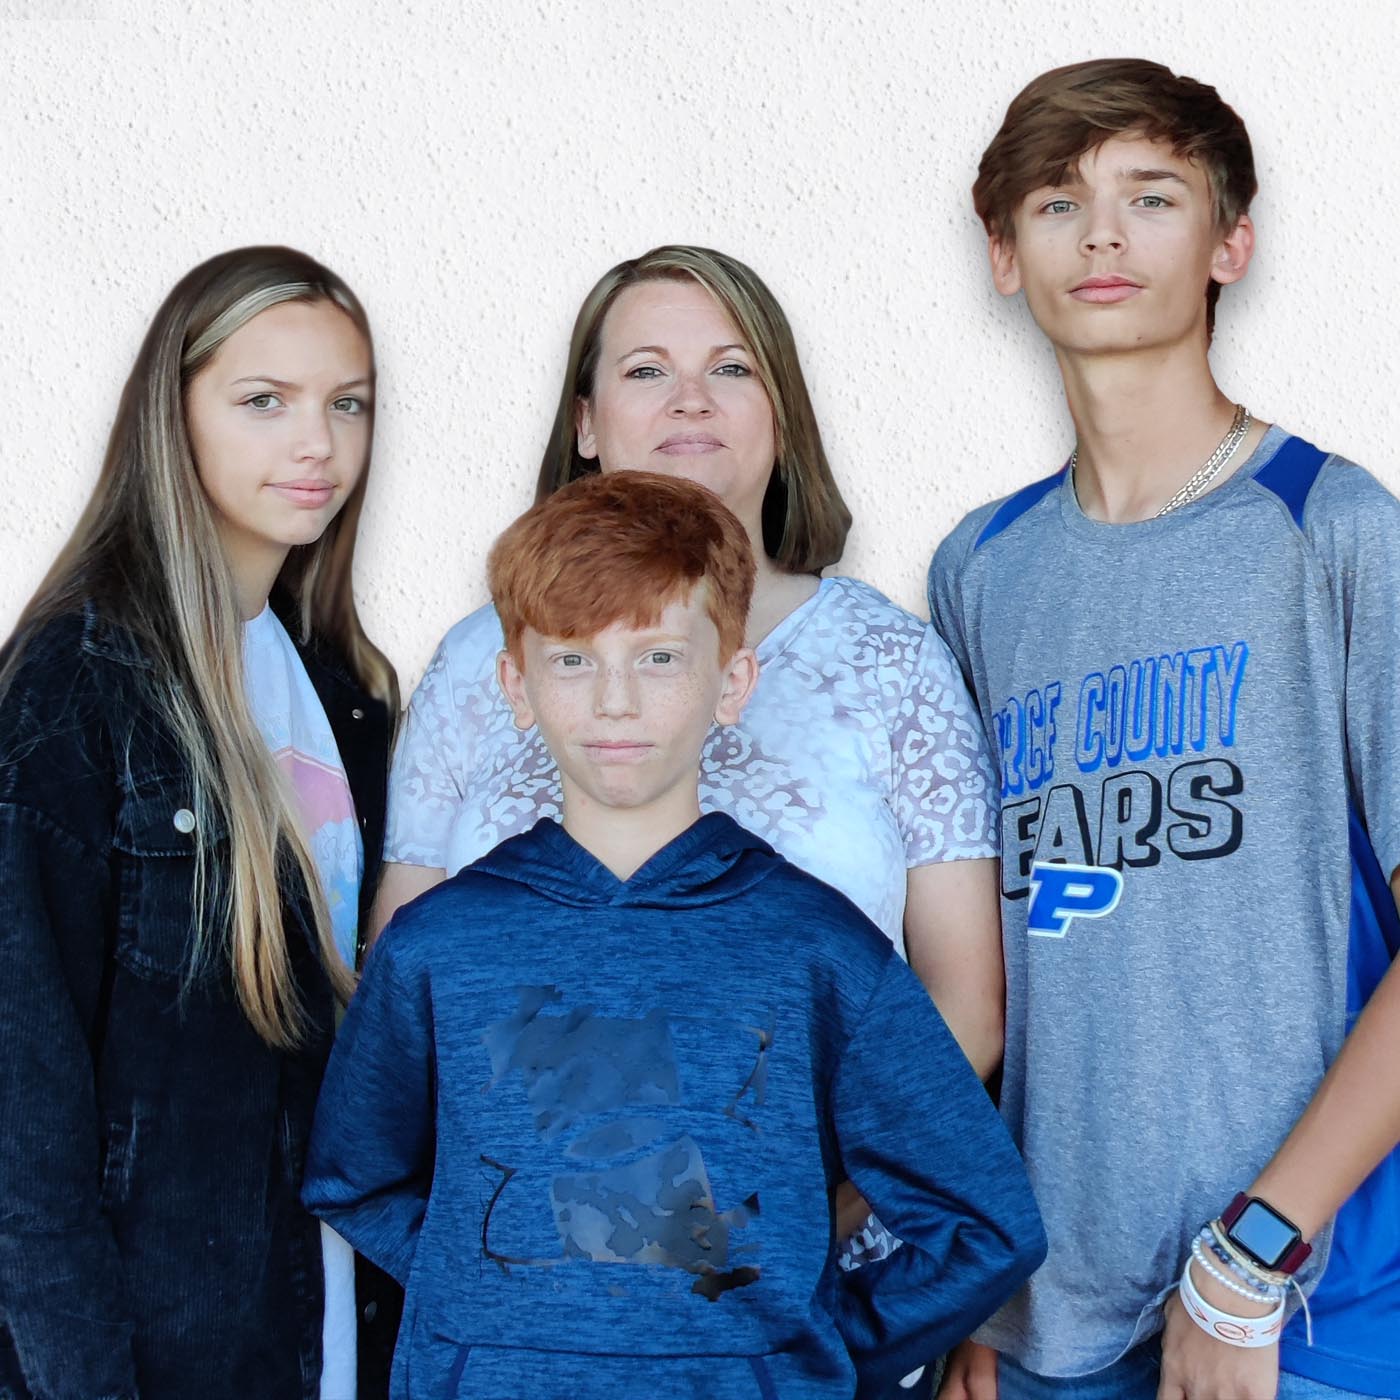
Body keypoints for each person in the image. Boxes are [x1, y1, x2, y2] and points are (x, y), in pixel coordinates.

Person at [303, 470, 1046, 1399]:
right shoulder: (437, 948)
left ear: (732, 682)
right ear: (516, 684)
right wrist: (489, 1318)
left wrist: (802, 1348)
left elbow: (984, 1222)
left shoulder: (820, 950)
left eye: (658, 657)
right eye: (573, 659)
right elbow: (354, 1178)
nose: (615, 701)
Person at [928, 58, 1400, 1400]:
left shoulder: (1336, 529)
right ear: (1007, 257)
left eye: (1153, 196)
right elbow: (985, 973)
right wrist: (970, 1270)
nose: (1105, 237)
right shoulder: (980, 570)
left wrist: (1253, 1255)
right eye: (1059, 203)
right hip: (1048, 1321)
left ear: (1229, 245)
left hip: (1302, 1314)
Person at [0, 246, 396, 1400]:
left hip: (324, 1320)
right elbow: (21, 1120)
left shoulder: (342, 682)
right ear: (170, 417)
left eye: (347, 402)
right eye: (263, 401)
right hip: (158, 1349)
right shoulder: (76, 687)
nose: (315, 442)